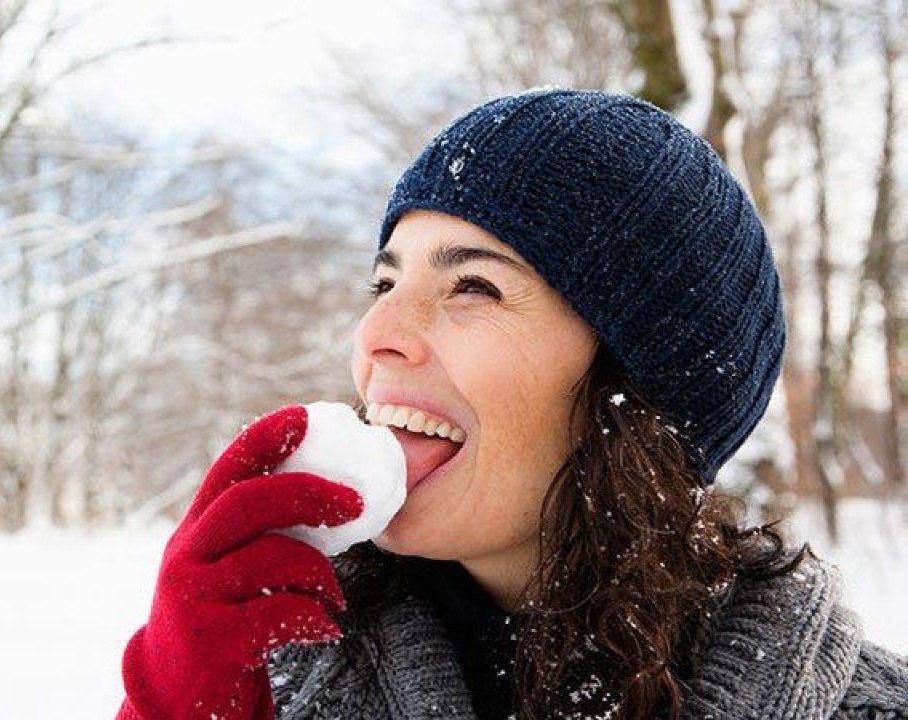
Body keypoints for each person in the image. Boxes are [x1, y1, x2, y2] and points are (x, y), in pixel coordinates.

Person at [115, 89, 908, 719]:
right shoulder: (269, 680)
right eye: (385, 283)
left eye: (473, 286)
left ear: (633, 393)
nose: (376, 334)